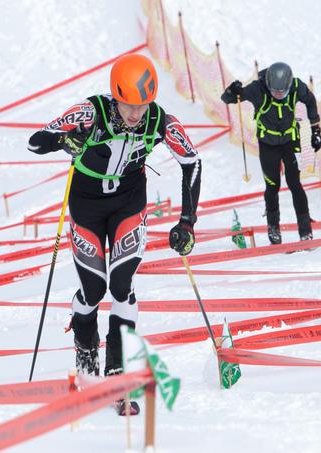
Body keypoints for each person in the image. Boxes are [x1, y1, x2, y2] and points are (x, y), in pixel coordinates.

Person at [27, 54, 201, 412]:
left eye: (142, 105)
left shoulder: (159, 121)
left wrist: (187, 221)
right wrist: (66, 141)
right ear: (114, 96)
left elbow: (192, 161)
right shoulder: (91, 113)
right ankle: (87, 357)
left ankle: (118, 374)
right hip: (87, 205)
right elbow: (35, 141)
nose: (135, 114)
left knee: (121, 286)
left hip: (128, 204)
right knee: (94, 290)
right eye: (128, 105)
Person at [221, 62, 321, 245]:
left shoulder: (296, 86)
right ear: (268, 84)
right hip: (268, 144)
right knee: (272, 186)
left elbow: (310, 100)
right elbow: (228, 99)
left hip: (291, 141)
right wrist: (231, 90)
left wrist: (316, 130)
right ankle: (273, 228)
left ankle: (306, 229)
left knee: (295, 183)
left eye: (282, 92)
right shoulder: (257, 89)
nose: (278, 95)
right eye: (275, 91)